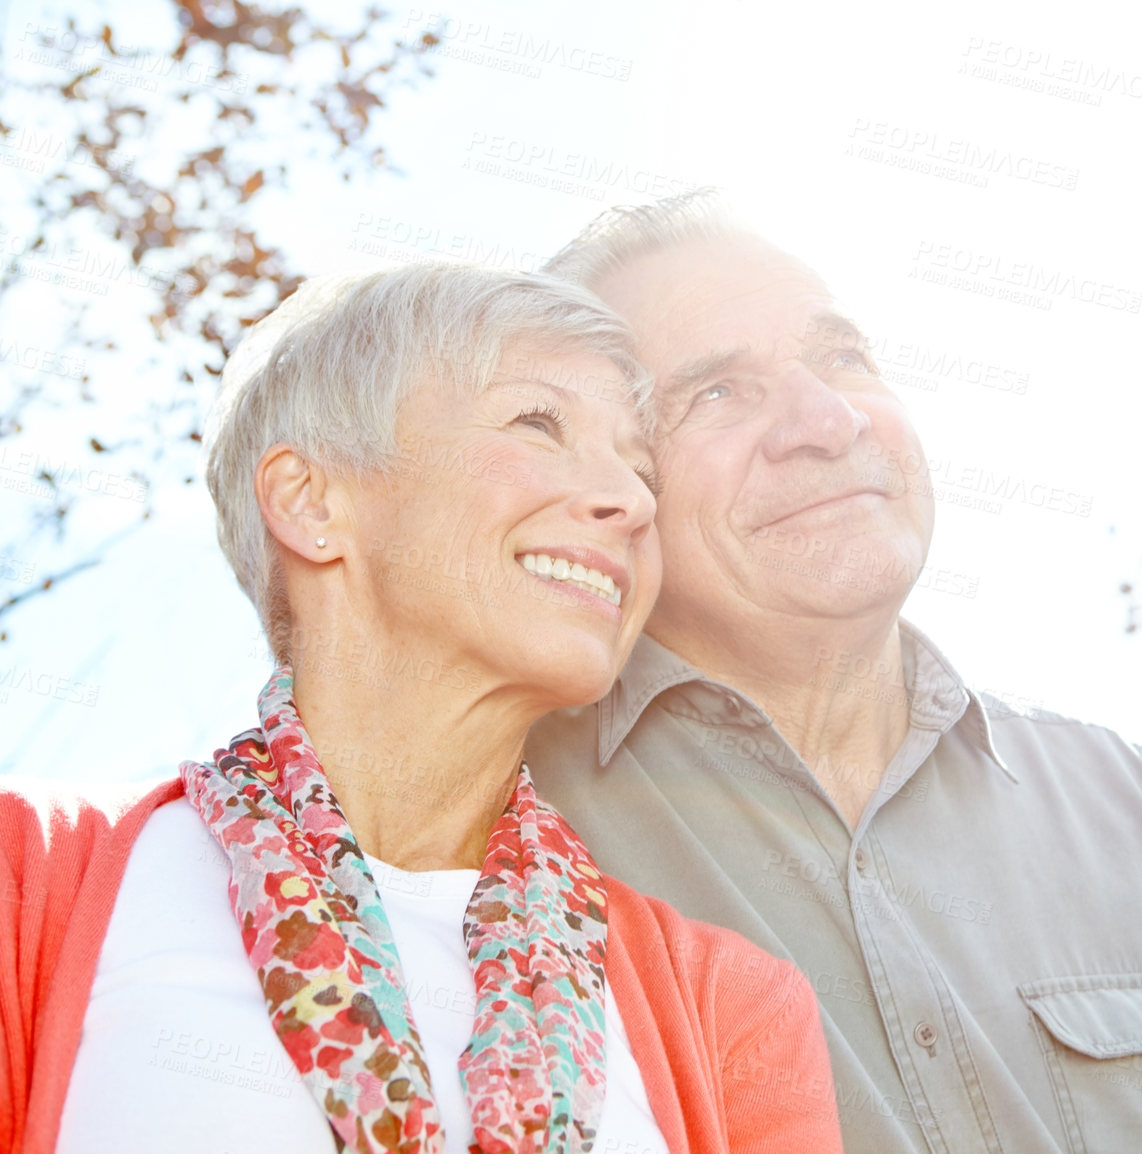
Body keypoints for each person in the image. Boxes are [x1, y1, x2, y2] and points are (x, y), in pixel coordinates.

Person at [526, 192, 1142, 1154]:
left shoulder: (1137, 811)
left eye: (843, 357)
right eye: (717, 392)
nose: (827, 418)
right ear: (610, 485)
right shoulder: (491, 818)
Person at [0, 264, 842, 1154]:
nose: (633, 503)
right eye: (538, 424)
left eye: (642, 473)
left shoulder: (734, 1007)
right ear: (310, 498)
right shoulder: (25, 874)